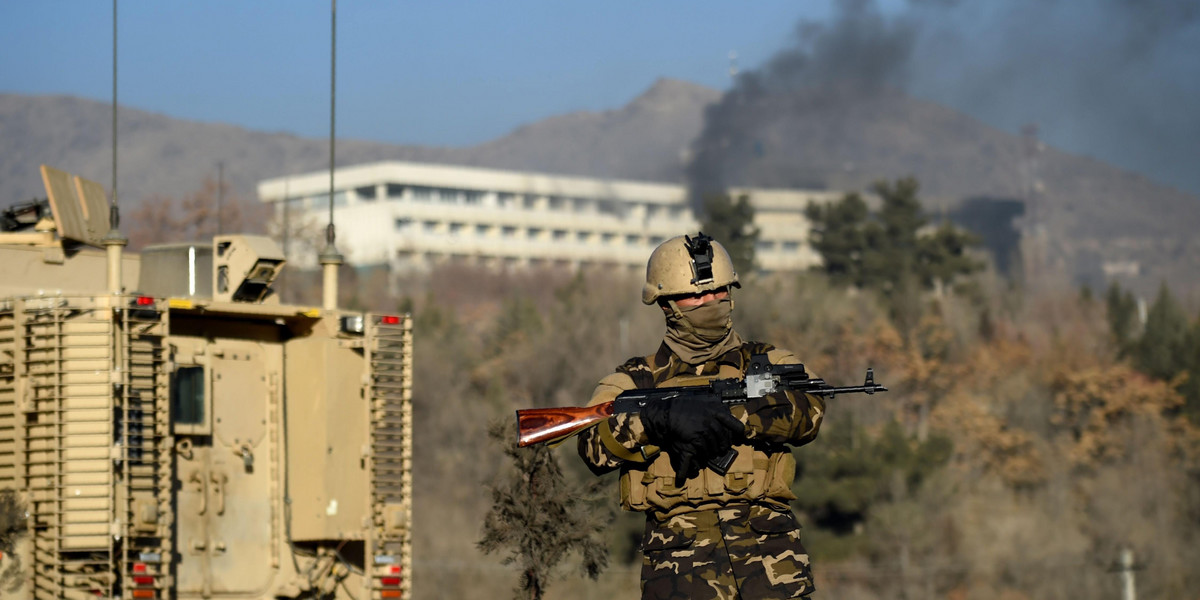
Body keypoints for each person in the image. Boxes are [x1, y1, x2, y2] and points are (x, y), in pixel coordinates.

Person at [578, 232, 825, 600]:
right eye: (696, 295)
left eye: (719, 291)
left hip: (773, 564)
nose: (711, 301)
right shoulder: (634, 380)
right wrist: (656, 419)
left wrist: (735, 411)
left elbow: (811, 411)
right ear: (666, 304)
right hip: (680, 570)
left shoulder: (769, 362)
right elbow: (593, 446)